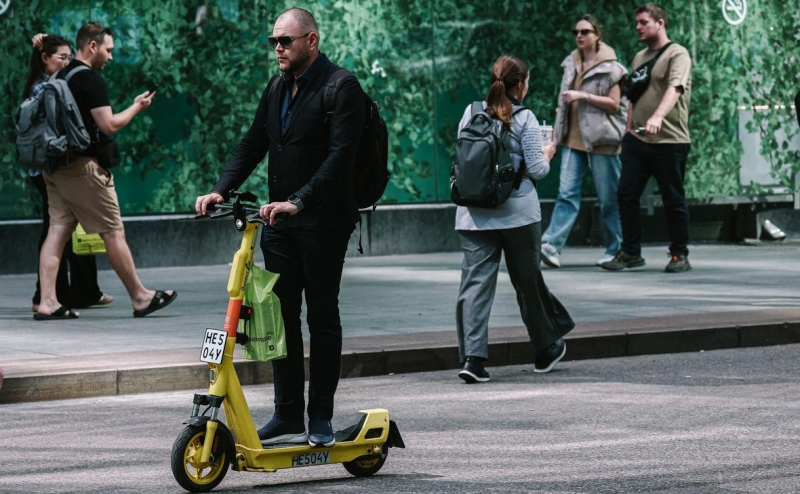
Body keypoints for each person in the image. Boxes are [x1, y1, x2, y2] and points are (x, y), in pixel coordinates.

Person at [195, 8, 364, 448]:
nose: (278, 49)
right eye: (274, 42)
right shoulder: (277, 87)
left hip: (323, 222)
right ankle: (287, 413)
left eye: (286, 41)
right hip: (278, 223)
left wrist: (300, 200)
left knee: (322, 317)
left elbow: (341, 157)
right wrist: (221, 189)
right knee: (281, 320)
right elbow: (255, 141)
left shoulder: (341, 87)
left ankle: (320, 417)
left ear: (312, 40)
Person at [35, 22, 176, 320]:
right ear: (92, 46)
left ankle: (48, 301)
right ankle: (140, 297)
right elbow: (108, 124)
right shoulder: (90, 79)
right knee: (113, 231)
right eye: (108, 50)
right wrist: (137, 107)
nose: (111, 57)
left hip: (55, 166)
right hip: (83, 168)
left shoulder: (60, 74)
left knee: (58, 231)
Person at [454, 55, 575, 385]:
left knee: (475, 286)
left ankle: (473, 359)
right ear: (520, 84)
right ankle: (545, 348)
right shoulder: (526, 118)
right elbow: (536, 170)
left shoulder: (470, 111)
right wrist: (548, 152)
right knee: (527, 283)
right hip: (518, 215)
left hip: (473, 215)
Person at [601, 3, 693, 273]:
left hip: (669, 141)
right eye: (637, 23)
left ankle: (679, 254)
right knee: (626, 195)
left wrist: (658, 116)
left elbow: (676, 88)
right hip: (637, 141)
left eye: (643, 22)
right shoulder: (640, 57)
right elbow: (632, 95)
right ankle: (630, 252)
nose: (638, 27)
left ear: (660, 23)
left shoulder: (678, 54)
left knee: (672, 199)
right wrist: (628, 130)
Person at [25, 34, 114, 313]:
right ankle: (52, 294)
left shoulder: (48, 83)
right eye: (61, 57)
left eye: (67, 57)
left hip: (49, 165)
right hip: (52, 165)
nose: (66, 62)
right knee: (59, 229)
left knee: (61, 228)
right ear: (45, 58)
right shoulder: (45, 87)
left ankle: (65, 293)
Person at [540, 15, 627, 269]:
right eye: (576, 31)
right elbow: (561, 105)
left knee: (609, 198)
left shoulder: (613, 68)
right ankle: (551, 246)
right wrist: (556, 137)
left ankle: (616, 249)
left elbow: (614, 104)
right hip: (572, 139)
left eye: (585, 31)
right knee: (566, 195)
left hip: (602, 139)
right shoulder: (570, 63)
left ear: (597, 34)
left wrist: (583, 95)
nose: (579, 35)